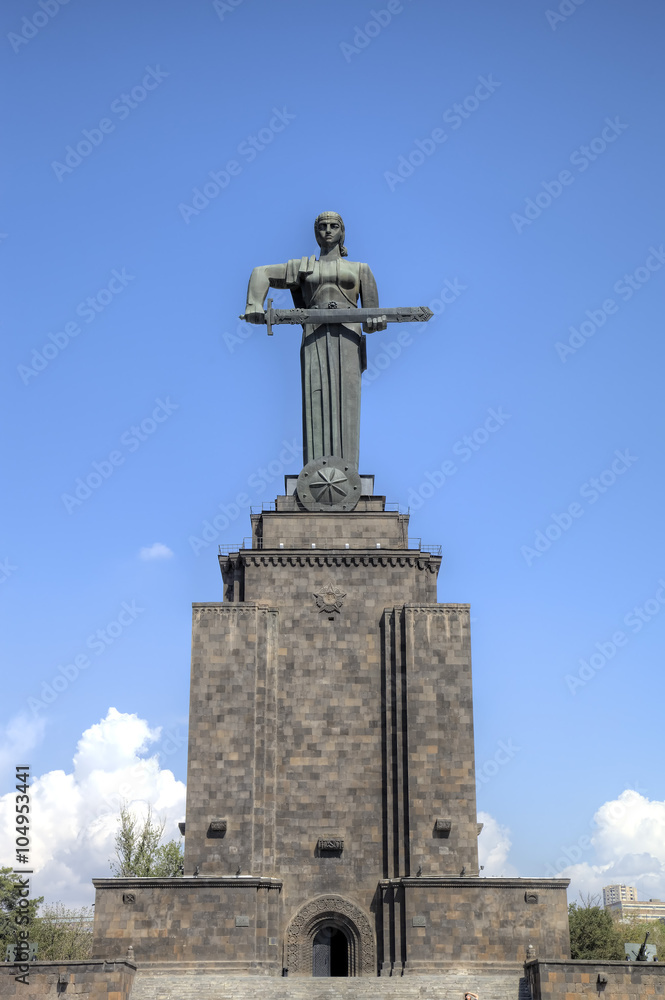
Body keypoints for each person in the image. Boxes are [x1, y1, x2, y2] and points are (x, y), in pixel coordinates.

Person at [244, 212, 386, 469]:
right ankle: (316, 470)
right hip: (314, 336)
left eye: (333, 226)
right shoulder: (304, 266)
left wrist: (376, 321)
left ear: (342, 232)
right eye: (322, 227)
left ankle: (347, 470)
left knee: (348, 402)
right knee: (315, 397)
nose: (327, 231)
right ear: (315, 232)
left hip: (348, 337)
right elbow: (261, 272)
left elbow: (373, 314)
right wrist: (254, 304)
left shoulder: (360, 269)